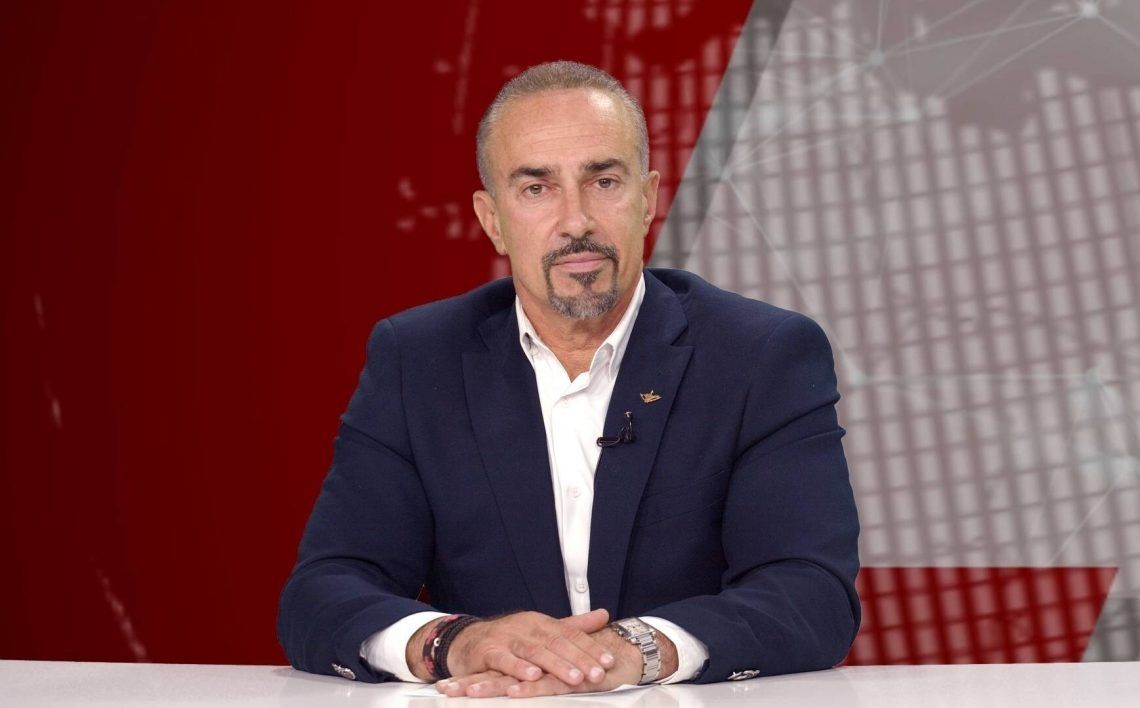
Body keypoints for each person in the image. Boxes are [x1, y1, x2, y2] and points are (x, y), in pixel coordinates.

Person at [277, 60, 860, 698]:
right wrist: (456, 643)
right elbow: (324, 592)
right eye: (537, 188)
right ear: (492, 219)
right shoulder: (417, 360)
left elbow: (811, 593)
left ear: (647, 198)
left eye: (603, 181)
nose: (576, 221)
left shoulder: (761, 356)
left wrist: (636, 650)